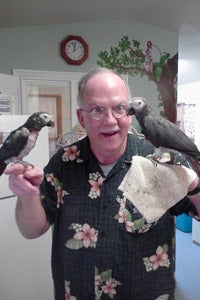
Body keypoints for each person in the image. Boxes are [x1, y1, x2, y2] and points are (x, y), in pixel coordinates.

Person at [4, 68, 200, 300]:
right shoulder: (62, 163)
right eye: (97, 110)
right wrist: (28, 195)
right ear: (81, 117)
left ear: (129, 113)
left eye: (119, 108)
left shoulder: (162, 162)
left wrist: (193, 185)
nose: (110, 121)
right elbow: (31, 229)